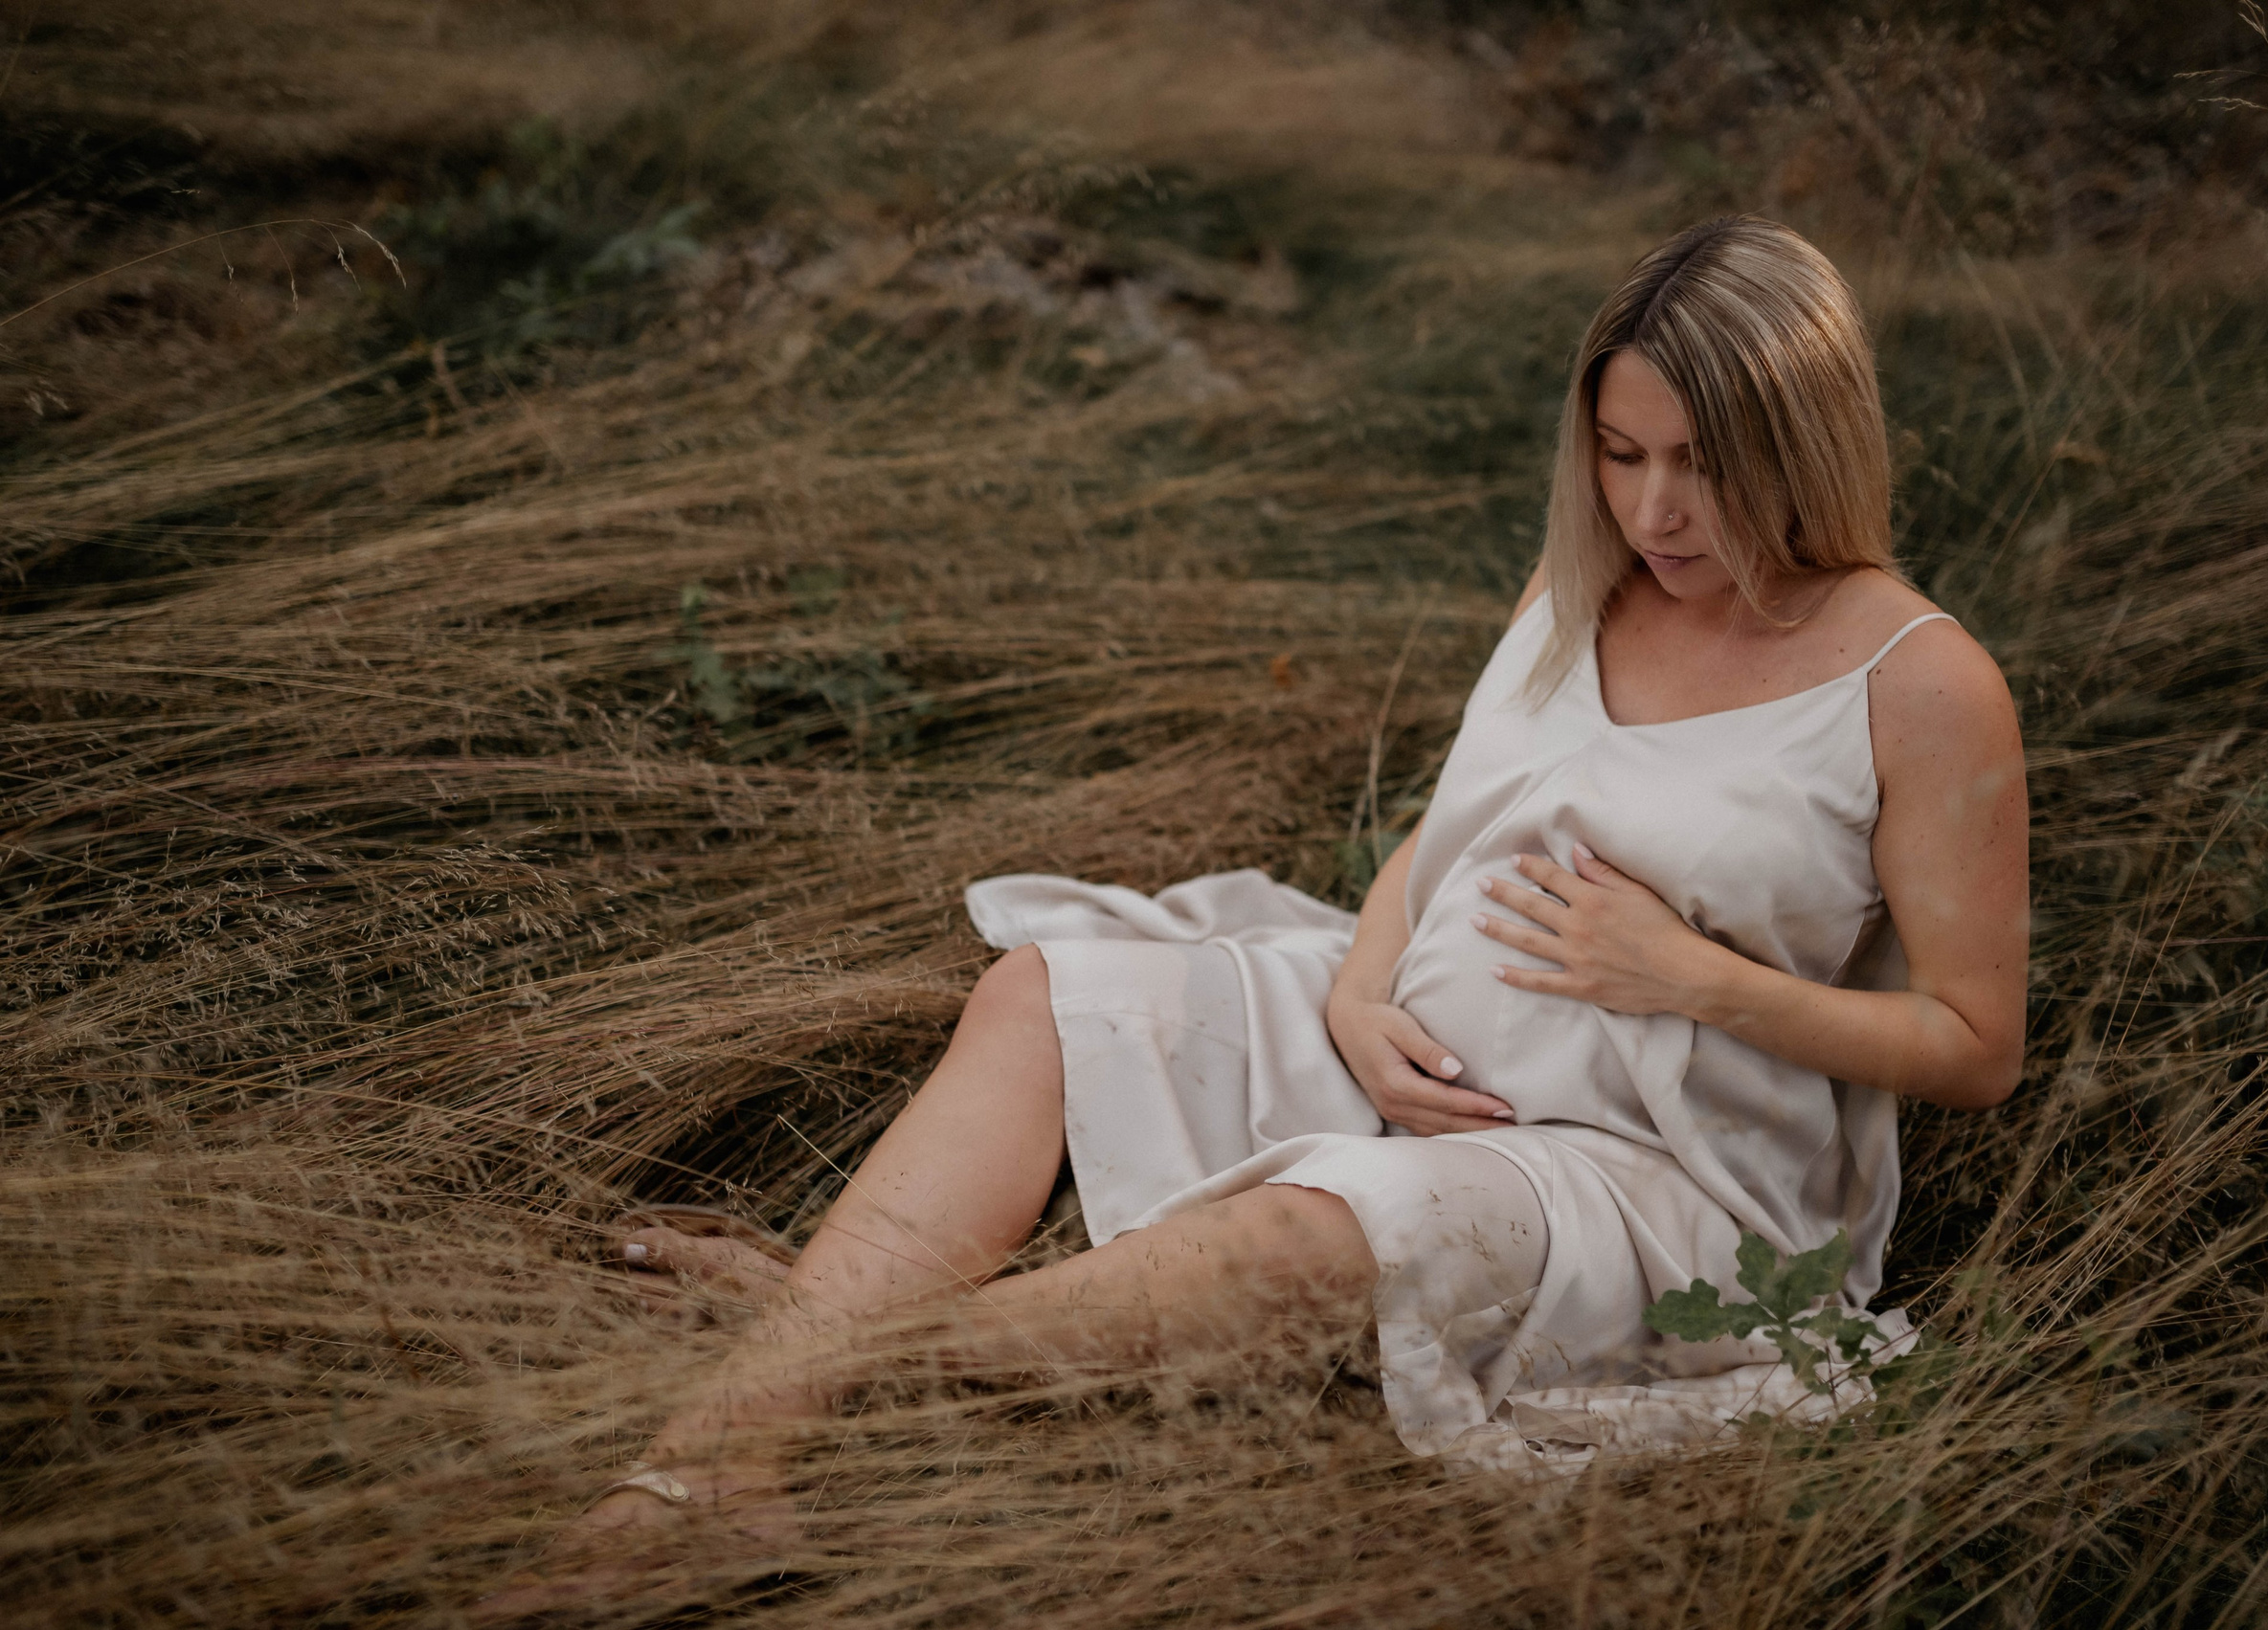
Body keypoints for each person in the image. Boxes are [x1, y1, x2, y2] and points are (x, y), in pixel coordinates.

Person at [484, 213, 2028, 1611]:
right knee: (1044, 993)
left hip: (1657, 1173)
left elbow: (1973, 1044)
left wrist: (1692, 978)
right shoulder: (1583, 590)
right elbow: (1455, 824)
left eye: (1700, 462)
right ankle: (701, 1476)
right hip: (1414, 1045)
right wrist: (1361, 984)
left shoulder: (1921, 686)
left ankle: (799, 1348)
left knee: (1325, 1232)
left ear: (1807, 442)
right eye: (1621, 454)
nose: (1655, 509)